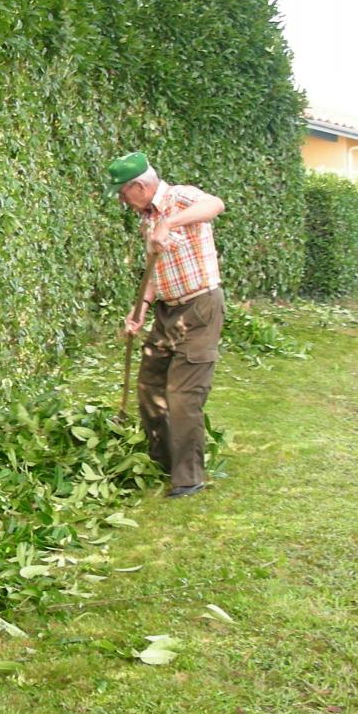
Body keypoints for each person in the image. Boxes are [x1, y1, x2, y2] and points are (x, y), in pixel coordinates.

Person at [108, 150, 225, 498]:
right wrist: (141, 309)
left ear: (139, 186)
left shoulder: (178, 197)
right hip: (166, 311)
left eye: (122, 192)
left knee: (183, 395)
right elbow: (157, 274)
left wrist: (169, 222)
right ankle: (162, 460)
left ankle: (188, 479)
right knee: (150, 385)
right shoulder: (146, 218)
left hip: (200, 307)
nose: (120, 200)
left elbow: (216, 204)